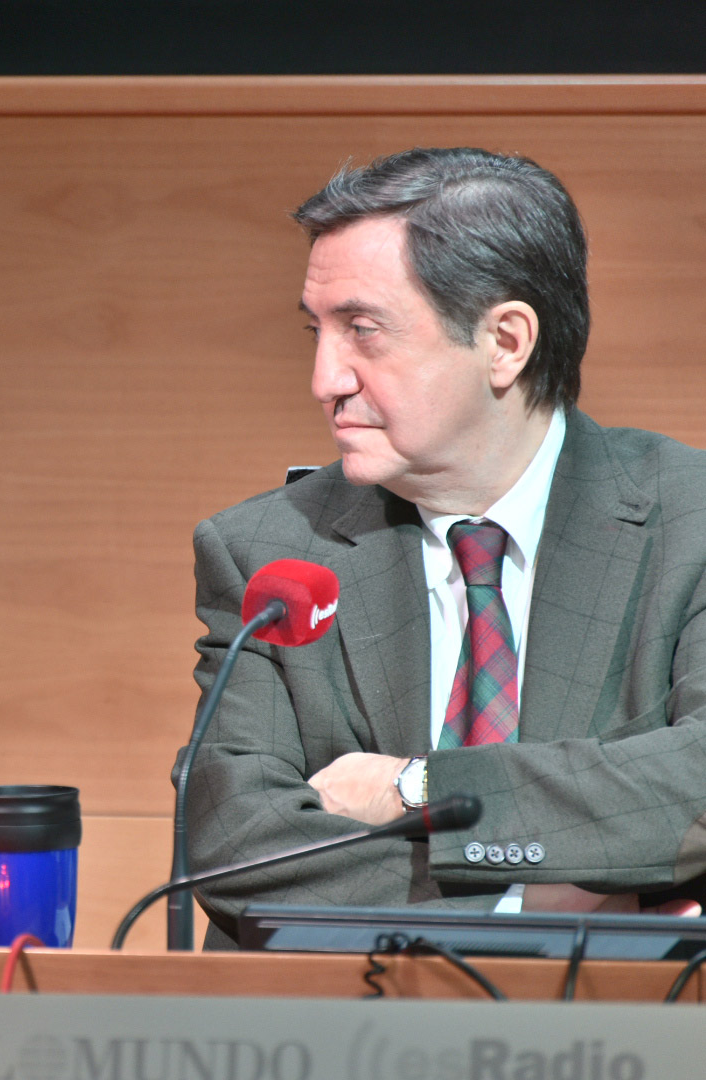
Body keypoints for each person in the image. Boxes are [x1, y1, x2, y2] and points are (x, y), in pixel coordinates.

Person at [181, 147, 706, 948]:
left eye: (363, 331)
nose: (325, 380)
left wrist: (417, 787)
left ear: (505, 341)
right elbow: (235, 841)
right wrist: (526, 908)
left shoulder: (688, 520)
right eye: (317, 332)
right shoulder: (268, 550)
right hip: (356, 1015)